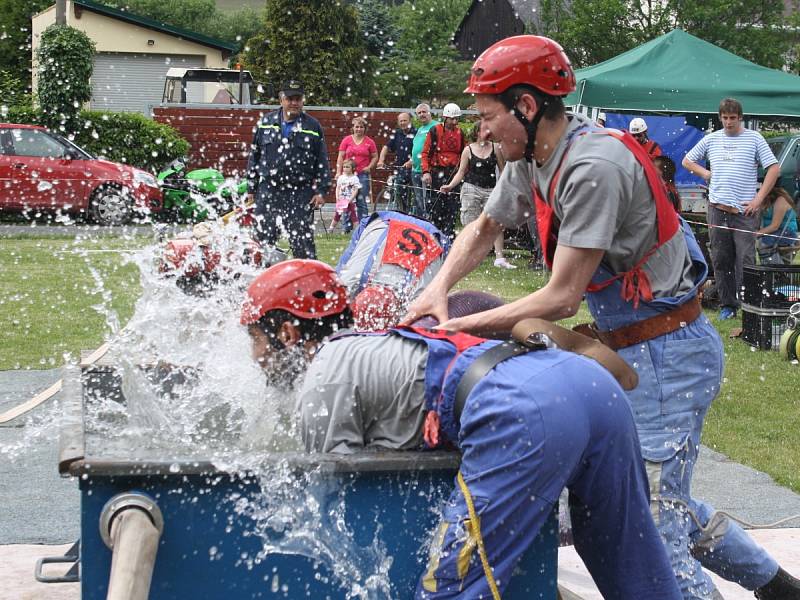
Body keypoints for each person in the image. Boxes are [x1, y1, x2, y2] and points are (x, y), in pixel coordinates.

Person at [405, 35, 800, 600]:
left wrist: (462, 328)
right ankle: (778, 587)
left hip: (669, 353)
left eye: (488, 116)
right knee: (665, 500)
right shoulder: (533, 156)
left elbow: (563, 296)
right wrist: (438, 288)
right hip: (635, 345)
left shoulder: (593, 165)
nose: (482, 133)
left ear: (526, 105)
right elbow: (486, 227)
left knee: (653, 528)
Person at [241, 259, 683, 600]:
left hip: (524, 409)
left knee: (453, 588)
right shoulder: (371, 345)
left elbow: (338, 504)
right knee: (629, 562)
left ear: (287, 333)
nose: (254, 357)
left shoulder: (324, 376)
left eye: (256, 341)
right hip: (588, 385)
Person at [683, 98, 780, 320]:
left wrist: (758, 199)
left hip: (745, 212)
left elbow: (774, 168)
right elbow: (687, 161)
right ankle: (728, 304)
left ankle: (750, 305)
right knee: (721, 258)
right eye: (725, 118)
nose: (728, 122)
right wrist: (705, 173)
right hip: (717, 208)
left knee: (745, 259)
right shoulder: (712, 139)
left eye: (732, 118)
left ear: (740, 118)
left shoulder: (754, 138)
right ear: (720, 118)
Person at [246, 80, 330, 259]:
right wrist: (251, 188)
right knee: (261, 240)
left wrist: (321, 191)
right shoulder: (265, 122)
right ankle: (260, 281)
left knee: (302, 242)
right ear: (281, 99)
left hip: (300, 191)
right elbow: (255, 156)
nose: (294, 102)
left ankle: (307, 281)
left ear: (302, 100)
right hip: (269, 189)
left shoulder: (312, 127)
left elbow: (322, 161)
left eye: (297, 98)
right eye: (290, 98)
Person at [440, 119, 515, 269]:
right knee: (470, 223)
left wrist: (507, 187)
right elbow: (461, 172)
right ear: (476, 133)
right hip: (470, 189)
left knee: (495, 222)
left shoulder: (496, 148)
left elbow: (503, 170)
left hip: (491, 189)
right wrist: (450, 185)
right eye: (484, 130)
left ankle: (499, 258)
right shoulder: (468, 150)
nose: (488, 133)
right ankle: (468, 255)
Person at [421, 103, 466, 240]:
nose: (455, 121)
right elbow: (425, 153)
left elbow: (465, 152)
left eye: (456, 118)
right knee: (436, 205)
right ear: (445, 117)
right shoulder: (435, 131)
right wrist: (426, 171)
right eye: (452, 118)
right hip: (437, 173)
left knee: (452, 206)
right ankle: (435, 234)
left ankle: (448, 235)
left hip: (454, 173)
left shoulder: (460, 133)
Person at [336, 116, 378, 232]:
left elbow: (375, 156)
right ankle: (346, 228)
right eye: (357, 127)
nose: (359, 129)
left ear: (365, 128)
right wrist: (338, 172)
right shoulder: (347, 140)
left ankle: (362, 227)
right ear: (353, 128)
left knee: (361, 201)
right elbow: (340, 156)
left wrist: (369, 167)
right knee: (346, 200)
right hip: (347, 175)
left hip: (362, 175)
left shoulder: (369, 142)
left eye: (361, 127)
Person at [377, 112, 416, 213]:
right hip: (400, 168)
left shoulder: (416, 133)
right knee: (397, 190)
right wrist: (381, 160)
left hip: (414, 168)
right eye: (401, 121)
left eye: (405, 120)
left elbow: (420, 150)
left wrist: (411, 161)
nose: (403, 123)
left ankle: (411, 213)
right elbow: (386, 147)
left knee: (412, 194)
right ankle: (402, 211)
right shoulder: (397, 133)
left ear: (410, 121)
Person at [756, 186, 798, 264]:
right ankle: (770, 271)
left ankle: (776, 273)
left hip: (786, 234)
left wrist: (754, 235)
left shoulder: (781, 200)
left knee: (764, 242)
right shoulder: (765, 201)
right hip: (773, 234)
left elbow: (774, 226)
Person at [411, 104, 439, 218]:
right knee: (419, 202)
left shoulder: (437, 126)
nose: (422, 114)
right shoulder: (420, 129)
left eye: (424, 112)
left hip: (429, 170)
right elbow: (417, 147)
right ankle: (421, 225)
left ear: (429, 113)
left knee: (430, 201)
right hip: (416, 170)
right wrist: (411, 160)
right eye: (419, 113)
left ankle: (431, 225)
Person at [331, 159, 360, 231]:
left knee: (353, 216)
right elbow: (338, 188)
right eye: (344, 167)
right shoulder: (341, 178)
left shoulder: (355, 178)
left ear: (353, 168)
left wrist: (351, 199)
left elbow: (356, 189)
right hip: (341, 200)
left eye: (347, 167)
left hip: (350, 201)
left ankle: (357, 231)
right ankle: (331, 228)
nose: (345, 169)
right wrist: (337, 197)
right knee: (337, 215)